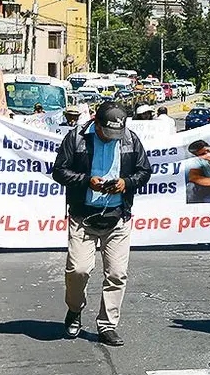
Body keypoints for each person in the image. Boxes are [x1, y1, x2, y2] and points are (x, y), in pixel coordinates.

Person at [51, 101, 152, 346]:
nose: (111, 138)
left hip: (117, 217)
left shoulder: (130, 139)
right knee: (78, 270)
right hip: (83, 217)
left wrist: (126, 183)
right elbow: (59, 171)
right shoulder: (76, 138)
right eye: (106, 132)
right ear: (96, 123)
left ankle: (107, 325)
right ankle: (75, 310)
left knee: (117, 273)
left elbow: (144, 171)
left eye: (115, 133)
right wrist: (87, 181)